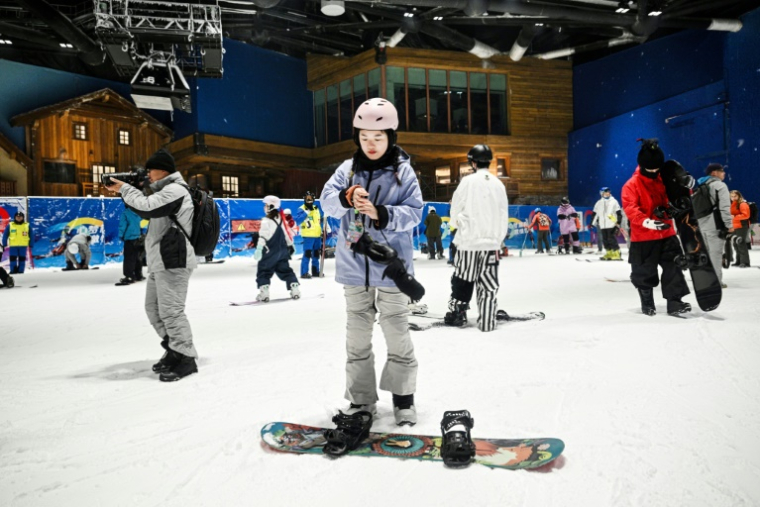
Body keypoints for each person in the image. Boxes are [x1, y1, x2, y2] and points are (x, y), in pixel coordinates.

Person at [320, 97, 423, 426]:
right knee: (357, 339)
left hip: (392, 270)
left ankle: (404, 399)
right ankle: (361, 400)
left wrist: (382, 213)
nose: (371, 144)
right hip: (354, 270)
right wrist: (345, 196)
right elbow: (327, 204)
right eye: (365, 138)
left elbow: (415, 212)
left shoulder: (403, 172)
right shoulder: (346, 170)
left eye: (378, 138)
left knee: (397, 334)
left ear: (391, 136)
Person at [105, 148, 199, 382]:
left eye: (150, 169)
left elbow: (147, 207)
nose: (147, 173)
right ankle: (175, 350)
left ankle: (186, 357)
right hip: (162, 260)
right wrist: (128, 191)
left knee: (171, 312)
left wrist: (125, 188)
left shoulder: (176, 190)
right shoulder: (165, 191)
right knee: (154, 309)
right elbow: (145, 207)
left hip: (174, 259)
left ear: (164, 170)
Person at [444, 144, 509, 332]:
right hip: (491, 244)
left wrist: (456, 225)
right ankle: (488, 321)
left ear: (472, 162)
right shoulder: (498, 184)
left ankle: (458, 312)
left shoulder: (468, 181)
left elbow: (455, 207)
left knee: (462, 279)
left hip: (468, 242)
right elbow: (503, 213)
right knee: (488, 283)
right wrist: (498, 239)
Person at [621, 138, 691, 316]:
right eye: (649, 169)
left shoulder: (664, 179)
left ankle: (674, 301)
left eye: (656, 168)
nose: (653, 171)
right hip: (643, 237)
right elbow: (631, 208)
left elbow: (677, 195)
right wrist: (647, 222)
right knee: (644, 271)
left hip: (667, 233)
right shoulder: (631, 185)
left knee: (673, 266)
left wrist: (686, 186)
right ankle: (647, 302)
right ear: (642, 165)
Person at [254, 195, 300, 302]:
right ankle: (294, 288)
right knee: (286, 270)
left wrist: (259, 248)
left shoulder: (266, 221)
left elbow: (263, 236)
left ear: (270, 206)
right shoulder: (281, 219)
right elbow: (287, 233)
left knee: (264, 271)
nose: (264, 207)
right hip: (282, 251)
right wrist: (290, 245)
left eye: (266, 205)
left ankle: (264, 292)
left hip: (269, 251)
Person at [694, 164, 733, 287]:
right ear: (714, 173)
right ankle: (715, 281)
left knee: (706, 252)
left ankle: (706, 277)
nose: (724, 174)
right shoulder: (720, 186)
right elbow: (724, 208)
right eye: (722, 171)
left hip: (702, 224)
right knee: (716, 254)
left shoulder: (702, 186)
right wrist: (728, 224)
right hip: (715, 225)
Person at [294, 191, 323, 279]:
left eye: (310, 198)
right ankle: (304, 272)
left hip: (317, 235)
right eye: (307, 198)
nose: (309, 200)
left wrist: (325, 228)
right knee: (307, 254)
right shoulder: (301, 208)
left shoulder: (316, 208)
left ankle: (315, 271)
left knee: (316, 254)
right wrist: (306, 211)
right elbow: (298, 221)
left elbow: (319, 221)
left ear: (313, 199)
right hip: (308, 236)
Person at [591, 187, 623, 260]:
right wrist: (592, 223)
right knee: (605, 239)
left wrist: (618, 222)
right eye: (605, 192)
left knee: (611, 238)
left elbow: (619, 213)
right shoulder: (599, 203)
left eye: (608, 192)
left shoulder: (614, 201)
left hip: (611, 224)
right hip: (602, 224)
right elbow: (595, 214)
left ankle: (616, 253)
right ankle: (609, 252)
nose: (607, 193)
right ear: (602, 193)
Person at [117, 207, 144, 285]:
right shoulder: (138, 213)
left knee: (128, 258)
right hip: (138, 238)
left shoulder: (125, 214)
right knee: (137, 257)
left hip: (129, 238)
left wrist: (121, 235)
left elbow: (122, 225)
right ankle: (138, 275)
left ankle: (129, 276)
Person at [729, 190, 752, 267]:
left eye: (735, 196)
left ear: (739, 196)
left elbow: (746, 215)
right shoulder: (733, 204)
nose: (733, 198)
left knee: (741, 244)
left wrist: (735, 217)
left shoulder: (742, 204)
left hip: (741, 226)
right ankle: (739, 261)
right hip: (735, 226)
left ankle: (745, 262)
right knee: (735, 244)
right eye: (731, 196)